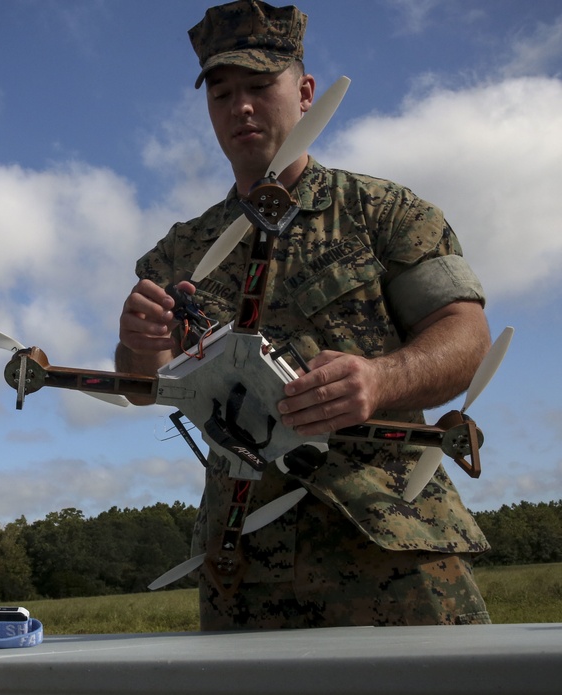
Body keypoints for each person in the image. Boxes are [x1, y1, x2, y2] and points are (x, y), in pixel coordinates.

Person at [116, 0, 493, 629]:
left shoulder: (385, 212)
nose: (241, 106)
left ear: (306, 92)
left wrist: (380, 381)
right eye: (222, 92)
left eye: (261, 86)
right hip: (243, 565)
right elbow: (144, 383)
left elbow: (466, 336)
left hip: (391, 546)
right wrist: (138, 344)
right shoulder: (179, 251)